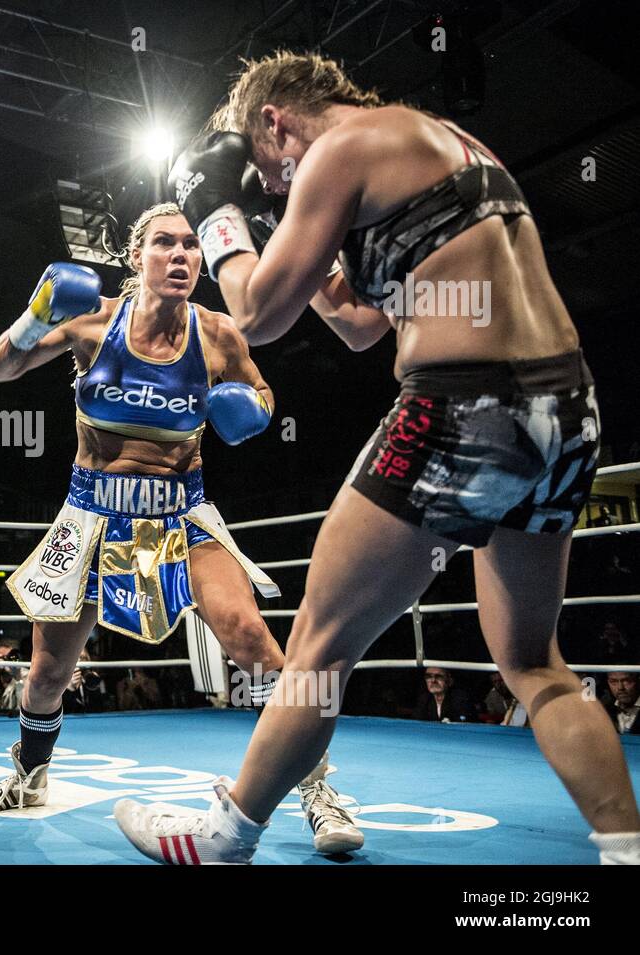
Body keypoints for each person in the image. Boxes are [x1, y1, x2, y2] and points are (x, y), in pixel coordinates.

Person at [117, 49, 640, 865]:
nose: (278, 194)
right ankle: (626, 845)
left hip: (463, 403)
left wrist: (220, 212)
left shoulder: (338, 149)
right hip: (568, 412)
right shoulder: (440, 141)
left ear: (274, 123)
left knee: (321, 644)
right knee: (533, 660)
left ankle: (223, 834)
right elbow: (364, 323)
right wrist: (289, 242)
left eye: (266, 174)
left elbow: (253, 313)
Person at [0, 198, 362, 853]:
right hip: (91, 513)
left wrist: (253, 409)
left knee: (249, 632)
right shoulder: (93, 325)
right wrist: (36, 315)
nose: (180, 255)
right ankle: (29, 779)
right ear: (136, 256)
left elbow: (262, 391)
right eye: (165, 244)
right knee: (47, 671)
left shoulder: (220, 332)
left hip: (181, 512)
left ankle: (320, 791)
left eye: (190, 246)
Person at [411, 667, 480, 723]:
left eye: (438, 676)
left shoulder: (460, 699)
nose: (433, 680)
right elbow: (417, 722)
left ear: (450, 681)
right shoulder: (424, 699)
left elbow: (464, 724)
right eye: (428, 676)